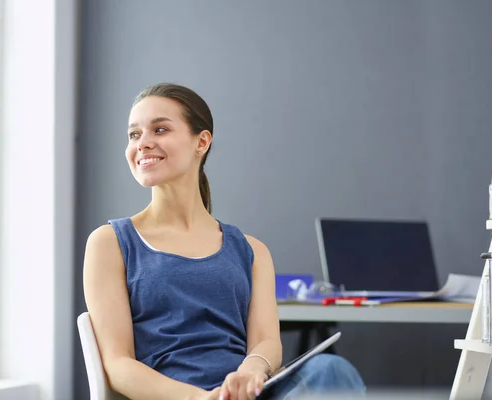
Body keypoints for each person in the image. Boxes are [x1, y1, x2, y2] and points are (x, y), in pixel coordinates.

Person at [82, 83, 366, 400]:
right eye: (134, 135)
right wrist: (199, 398)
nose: (143, 143)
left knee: (331, 371)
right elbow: (118, 365)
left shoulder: (251, 251)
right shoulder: (111, 243)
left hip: (249, 395)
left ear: (201, 142)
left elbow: (266, 341)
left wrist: (252, 370)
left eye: (159, 129)